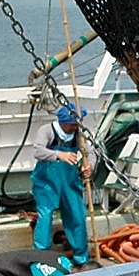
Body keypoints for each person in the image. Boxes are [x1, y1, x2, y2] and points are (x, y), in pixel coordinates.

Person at [30, 103, 94, 264]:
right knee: (45, 214)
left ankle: (81, 256)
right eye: (72, 124)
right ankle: (40, 255)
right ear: (63, 122)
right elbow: (38, 151)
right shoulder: (47, 131)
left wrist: (88, 167)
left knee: (77, 215)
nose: (74, 127)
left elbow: (90, 153)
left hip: (70, 182)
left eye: (76, 124)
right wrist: (59, 155)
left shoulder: (79, 135)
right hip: (46, 181)